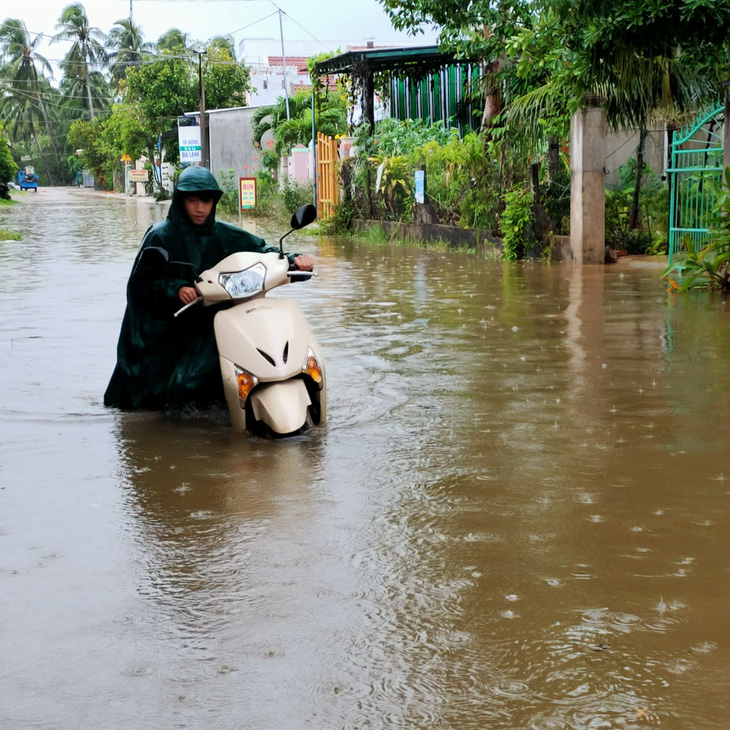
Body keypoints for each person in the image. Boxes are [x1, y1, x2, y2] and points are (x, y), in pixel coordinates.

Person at [104, 165, 314, 411]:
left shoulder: (224, 235)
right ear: (180, 201)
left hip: (212, 320)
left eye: (206, 200)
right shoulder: (159, 237)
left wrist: (295, 260)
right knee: (171, 392)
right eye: (192, 200)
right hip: (169, 326)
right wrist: (176, 289)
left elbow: (263, 252)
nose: (200, 208)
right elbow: (139, 286)